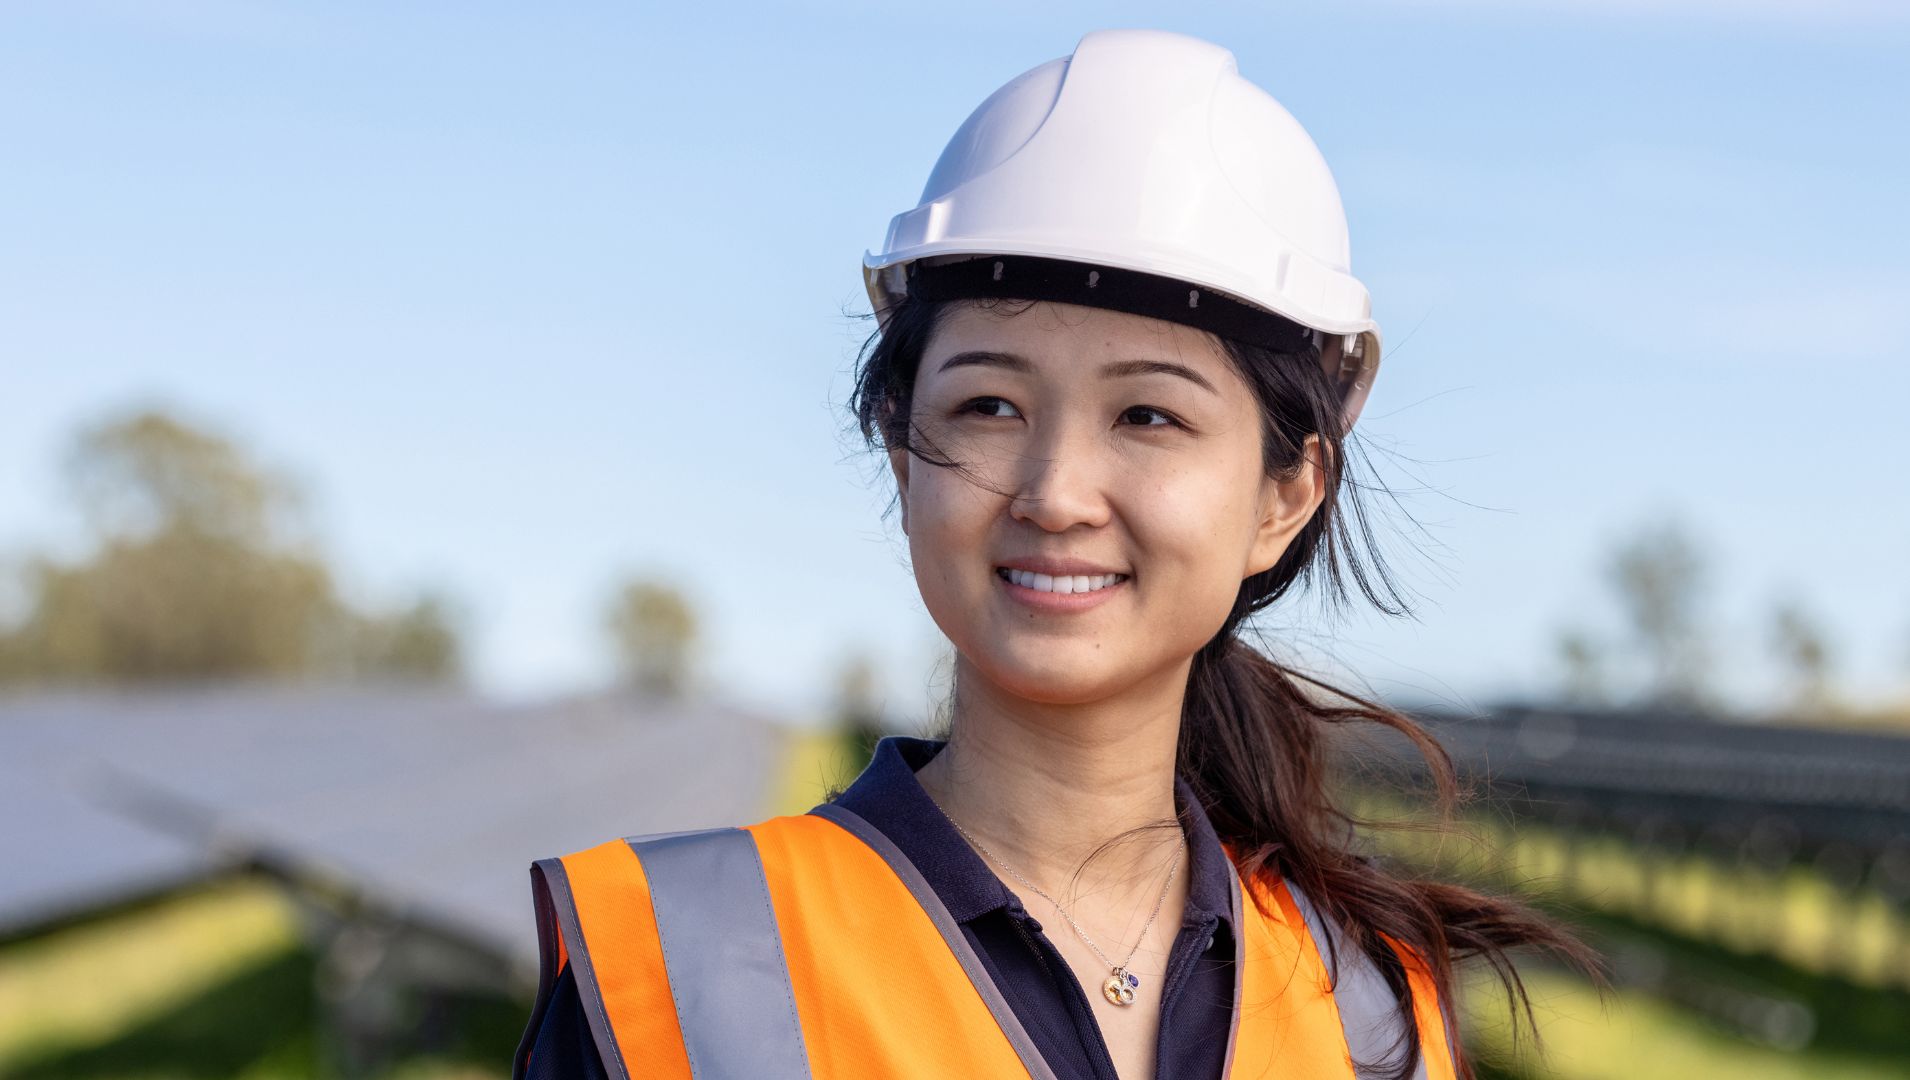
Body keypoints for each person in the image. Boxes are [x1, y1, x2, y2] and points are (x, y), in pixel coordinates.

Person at [512, 27, 1603, 1080]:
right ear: (904, 458)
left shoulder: (1369, 1009)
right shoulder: (677, 974)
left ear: (1284, 495)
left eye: (1146, 417)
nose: (1054, 493)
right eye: (988, 405)